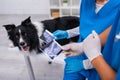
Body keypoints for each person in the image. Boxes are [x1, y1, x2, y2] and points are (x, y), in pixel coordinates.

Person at [53, 0, 120, 80]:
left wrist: (85, 64)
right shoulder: (86, 2)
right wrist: (68, 33)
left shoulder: (117, 6)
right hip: (82, 50)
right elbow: (87, 26)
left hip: (104, 57)